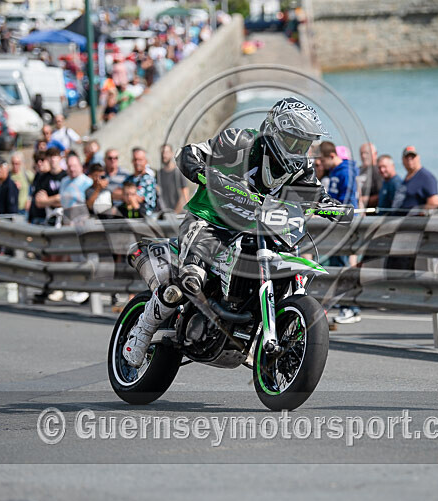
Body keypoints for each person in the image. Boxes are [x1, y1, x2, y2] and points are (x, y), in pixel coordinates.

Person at [122, 97, 343, 367]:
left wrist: (334, 207)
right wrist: (202, 172)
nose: (299, 149)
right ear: (274, 131)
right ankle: (142, 331)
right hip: (210, 222)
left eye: (304, 143)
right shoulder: (240, 142)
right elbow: (189, 153)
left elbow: (316, 195)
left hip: (260, 230)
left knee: (285, 273)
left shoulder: (301, 167)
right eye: (293, 140)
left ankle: (263, 333)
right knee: (190, 279)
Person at [319, 140, 361, 324]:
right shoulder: (334, 172)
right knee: (337, 265)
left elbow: (347, 199)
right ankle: (344, 305)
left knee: (344, 266)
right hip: (336, 222)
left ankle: (352, 308)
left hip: (345, 222)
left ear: (331, 156)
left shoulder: (345, 171)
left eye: (323, 160)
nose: (322, 165)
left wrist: (338, 212)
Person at [391, 146, 438, 216]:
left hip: (413, 221)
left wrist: (418, 215)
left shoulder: (426, 177)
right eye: (407, 157)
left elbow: (434, 203)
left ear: (418, 158)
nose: (409, 160)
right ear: (402, 160)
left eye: (412, 157)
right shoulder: (408, 176)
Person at [58, 152, 93, 224]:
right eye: (69, 166)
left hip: (82, 223)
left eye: (74, 166)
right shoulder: (64, 181)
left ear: (80, 166)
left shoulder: (88, 182)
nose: (72, 169)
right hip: (67, 223)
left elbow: (91, 204)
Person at [124, 147, 158, 214]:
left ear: (146, 161)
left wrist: (129, 196)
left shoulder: (149, 179)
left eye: (140, 160)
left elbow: (145, 199)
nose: (137, 162)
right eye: (135, 159)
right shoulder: (129, 179)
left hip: (146, 216)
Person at [157, 144, 190, 213]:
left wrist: (175, 214)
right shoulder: (159, 174)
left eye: (166, 152)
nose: (164, 155)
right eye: (162, 153)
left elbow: (185, 196)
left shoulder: (179, 172)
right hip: (165, 215)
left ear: (172, 154)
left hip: (179, 215)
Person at [359, 142, 381, 209]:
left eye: (366, 153)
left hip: (370, 211)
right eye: (361, 153)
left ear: (375, 154)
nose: (363, 156)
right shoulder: (359, 170)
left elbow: (380, 195)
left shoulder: (378, 170)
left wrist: (361, 200)